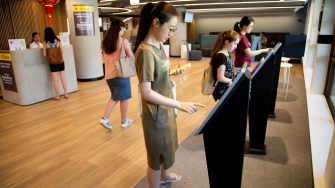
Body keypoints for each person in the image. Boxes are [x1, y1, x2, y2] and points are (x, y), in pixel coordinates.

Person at [133, 2, 205, 188]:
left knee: (166, 148)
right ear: (156, 22)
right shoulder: (145, 52)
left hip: (165, 109)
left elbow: (158, 76)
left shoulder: (157, 45)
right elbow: (146, 91)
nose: (171, 34)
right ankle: (157, 181)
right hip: (155, 115)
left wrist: (172, 73)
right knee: (155, 157)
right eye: (171, 29)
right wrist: (179, 104)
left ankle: (164, 176)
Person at [99, 17, 134, 130]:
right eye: (123, 29)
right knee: (120, 98)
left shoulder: (105, 42)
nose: (124, 31)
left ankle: (114, 120)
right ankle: (112, 119)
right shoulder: (123, 41)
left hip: (109, 75)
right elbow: (131, 56)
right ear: (120, 28)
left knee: (118, 97)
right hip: (120, 74)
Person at [211, 30, 240, 101]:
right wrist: (231, 81)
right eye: (234, 44)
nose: (236, 47)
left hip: (225, 87)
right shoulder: (222, 57)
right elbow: (220, 77)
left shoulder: (226, 54)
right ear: (226, 42)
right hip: (222, 90)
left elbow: (227, 71)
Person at [43, 27, 68, 100]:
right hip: (60, 61)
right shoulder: (58, 40)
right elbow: (62, 51)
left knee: (55, 80)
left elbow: (44, 54)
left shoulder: (45, 42)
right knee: (63, 78)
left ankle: (57, 96)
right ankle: (66, 94)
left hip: (52, 63)